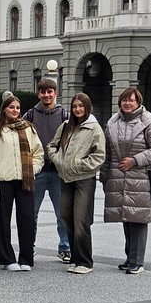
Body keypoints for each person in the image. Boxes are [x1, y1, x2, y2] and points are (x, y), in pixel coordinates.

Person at [103, 86, 151, 274]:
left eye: (131, 100)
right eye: (124, 100)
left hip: (140, 178)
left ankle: (137, 261)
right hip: (118, 176)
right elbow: (108, 153)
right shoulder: (113, 121)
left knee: (138, 218)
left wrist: (135, 161)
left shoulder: (147, 121)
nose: (127, 103)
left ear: (138, 102)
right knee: (126, 217)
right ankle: (130, 257)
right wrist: (104, 177)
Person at [0, 93, 44, 270]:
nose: (15, 110)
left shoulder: (29, 129)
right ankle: (7, 259)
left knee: (27, 219)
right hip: (4, 180)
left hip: (25, 179)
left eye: (17, 108)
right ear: (4, 109)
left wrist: (32, 169)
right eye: (11, 107)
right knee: (3, 220)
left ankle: (26, 259)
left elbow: (38, 154)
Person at [50, 93, 106, 274]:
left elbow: (99, 155)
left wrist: (80, 165)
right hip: (66, 179)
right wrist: (59, 161)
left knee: (81, 220)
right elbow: (52, 146)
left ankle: (85, 262)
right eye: (74, 106)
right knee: (66, 217)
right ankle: (75, 258)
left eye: (81, 106)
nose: (77, 109)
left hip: (84, 180)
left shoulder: (94, 128)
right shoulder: (66, 126)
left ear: (87, 107)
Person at [25, 77, 72, 264]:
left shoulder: (65, 115)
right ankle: (29, 246)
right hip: (36, 171)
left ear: (56, 93)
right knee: (32, 213)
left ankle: (65, 247)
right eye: (43, 92)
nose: (46, 95)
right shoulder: (29, 115)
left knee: (62, 213)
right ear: (38, 94)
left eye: (50, 91)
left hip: (58, 172)